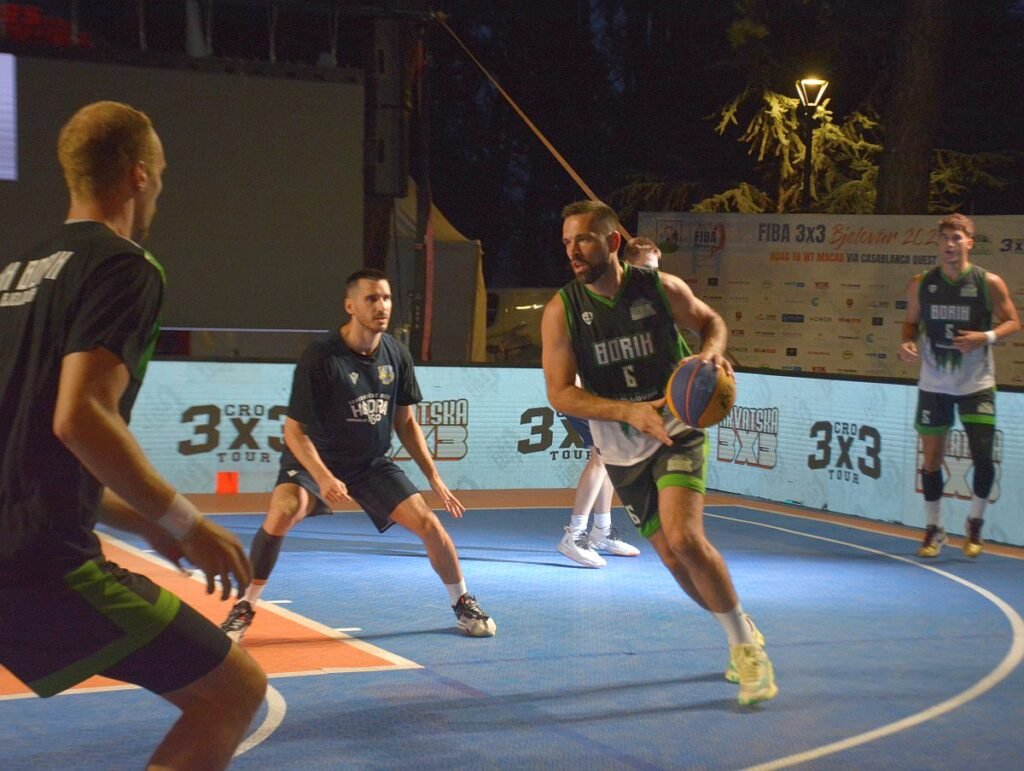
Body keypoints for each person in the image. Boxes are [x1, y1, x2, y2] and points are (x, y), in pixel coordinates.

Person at [0, 101, 267, 769]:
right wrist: (185, 523)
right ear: (139, 174)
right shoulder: (124, 267)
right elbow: (80, 417)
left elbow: (27, 449)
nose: (160, 192)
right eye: (163, 176)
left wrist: (133, 515)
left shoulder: (14, 275)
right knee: (234, 691)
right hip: (37, 563)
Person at [541, 200, 776, 706]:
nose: (573, 251)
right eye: (566, 242)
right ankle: (738, 624)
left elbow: (711, 321)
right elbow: (560, 393)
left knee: (685, 538)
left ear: (612, 242)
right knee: (672, 557)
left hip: (675, 427)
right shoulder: (562, 310)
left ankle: (746, 650)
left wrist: (712, 352)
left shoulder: (659, 288)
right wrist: (627, 412)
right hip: (621, 446)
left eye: (583, 240)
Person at [220, 268, 496, 641]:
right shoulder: (321, 357)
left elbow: (406, 422)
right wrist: (323, 477)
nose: (382, 306)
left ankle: (462, 602)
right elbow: (294, 431)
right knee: (283, 511)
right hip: (316, 460)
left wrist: (434, 478)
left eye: (386, 298)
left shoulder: (396, 354)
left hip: (369, 464)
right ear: (350, 306)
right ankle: (244, 607)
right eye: (372, 298)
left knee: (431, 527)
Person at [898, 213, 1020, 559]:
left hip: (976, 384)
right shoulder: (921, 283)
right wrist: (906, 343)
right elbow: (910, 324)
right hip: (934, 384)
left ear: (970, 243)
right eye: (944, 239)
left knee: (983, 458)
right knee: (931, 461)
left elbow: (1013, 322)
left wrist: (986, 336)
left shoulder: (988, 282)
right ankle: (935, 529)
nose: (949, 245)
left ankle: (975, 521)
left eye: (956, 238)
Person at [556, 238, 660, 568]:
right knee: (602, 458)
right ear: (628, 266)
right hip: (585, 393)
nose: (652, 276)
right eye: (647, 269)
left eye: (656, 270)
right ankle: (574, 535)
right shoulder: (599, 298)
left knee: (609, 458)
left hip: (611, 395)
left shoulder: (643, 303)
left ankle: (600, 531)